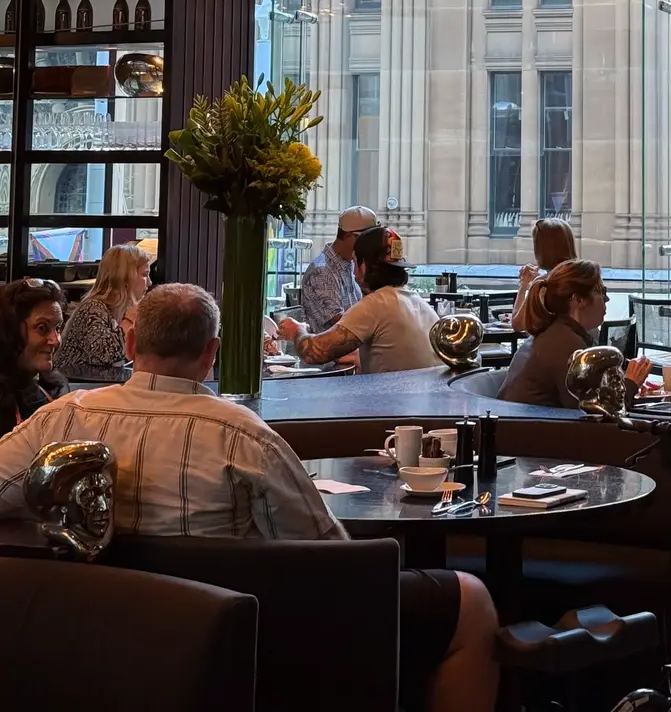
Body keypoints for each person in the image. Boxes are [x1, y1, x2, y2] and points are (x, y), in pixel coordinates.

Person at [0, 282, 498, 712]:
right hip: (251, 636)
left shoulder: (62, 417)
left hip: (99, 634)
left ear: (130, 341)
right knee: (470, 600)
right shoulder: (242, 436)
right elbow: (331, 562)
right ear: (212, 352)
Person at [279, 226, 441, 373]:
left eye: (355, 263)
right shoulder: (418, 302)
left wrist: (297, 330)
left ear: (364, 265)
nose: (354, 272)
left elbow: (314, 353)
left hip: (392, 403)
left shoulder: (376, 304)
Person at [499, 259, 651, 408]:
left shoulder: (557, 332)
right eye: (601, 290)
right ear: (577, 299)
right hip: (529, 430)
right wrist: (631, 383)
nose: (607, 299)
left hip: (523, 425)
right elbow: (594, 415)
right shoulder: (566, 344)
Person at [56, 242, 151, 382]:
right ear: (125, 278)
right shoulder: (93, 309)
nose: (149, 282)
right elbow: (104, 355)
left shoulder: (116, 311)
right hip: (74, 390)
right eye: (145, 275)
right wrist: (130, 319)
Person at [0, 278, 68, 437]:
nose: (55, 340)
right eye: (42, 328)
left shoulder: (53, 388)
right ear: (9, 332)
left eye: (57, 328)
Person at [299, 204, 378, 331]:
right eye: (367, 241)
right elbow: (341, 322)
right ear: (348, 236)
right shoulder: (321, 272)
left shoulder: (350, 264)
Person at [511, 217, 578, 333]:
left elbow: (517, 324)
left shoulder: (544, 284)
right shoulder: (586, 274)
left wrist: (523, 285)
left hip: (555, 348)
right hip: (587, 346)